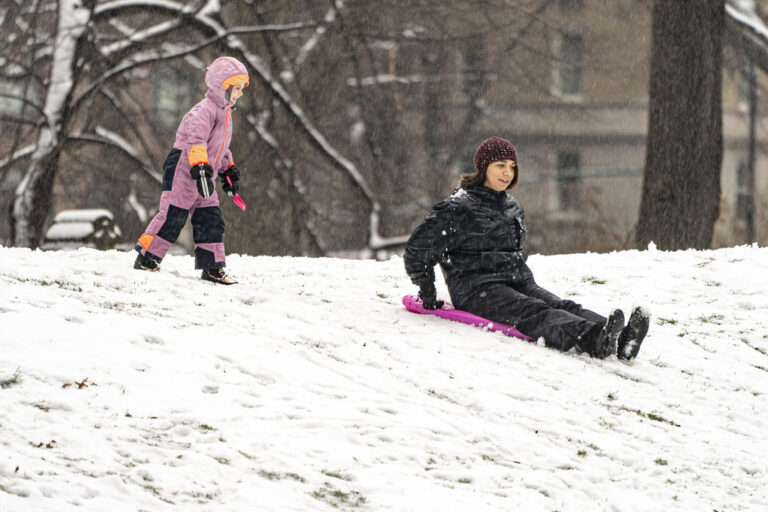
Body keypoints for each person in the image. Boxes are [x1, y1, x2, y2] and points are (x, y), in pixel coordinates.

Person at [404, 136, 649, 359]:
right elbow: (417, 251)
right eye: (500, 165)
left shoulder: (512, 206)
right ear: (483, 168)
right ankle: (596, 339)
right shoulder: (457, 208)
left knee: (562, 305)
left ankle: (623, 339)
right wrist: (427, 292)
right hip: (477, 289)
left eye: (512, 166)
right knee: (536, 311)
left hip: (517, 279)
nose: (507, 173)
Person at [133, 56, 250, 285]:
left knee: (211, 219)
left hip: (206, 172)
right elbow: (195, 141)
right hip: (184, 169)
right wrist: (201, 168)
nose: (240, 94)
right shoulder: (203, 111)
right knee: (173, 216)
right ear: (222, 87)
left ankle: (212, 268)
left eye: (241, 89)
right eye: (237, 88)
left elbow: (220, 149)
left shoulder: (225, 114)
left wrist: (228, 170)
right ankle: (146, 258)